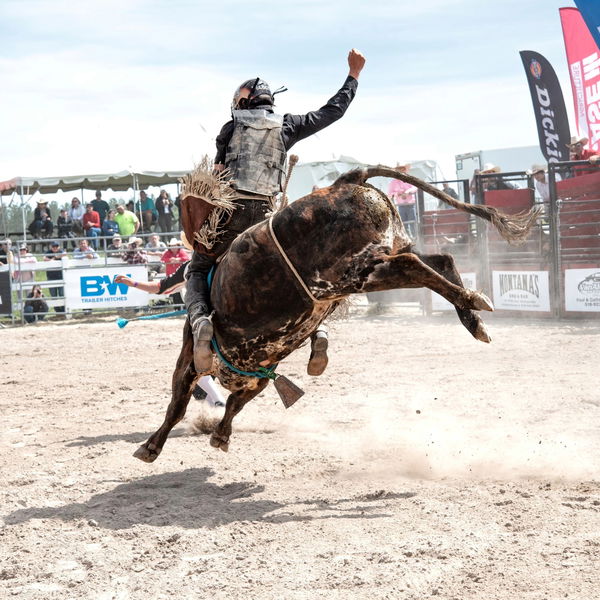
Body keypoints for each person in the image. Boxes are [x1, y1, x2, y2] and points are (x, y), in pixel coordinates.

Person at [185, 48, 365, 372]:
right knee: (309, 272)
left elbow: (218, 178)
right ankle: (318, 329)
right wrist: (353, 75)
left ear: (242, 103)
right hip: (269, 222)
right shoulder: (288, 126)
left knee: (197, 269)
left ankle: (200, 322)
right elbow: (332, 111)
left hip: (231, 217)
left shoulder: (229, 130)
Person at [115, 260, 226, 408]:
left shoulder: (191, 267)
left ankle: (219, 403)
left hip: (202, 321)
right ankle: (217, 408)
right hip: (226, 321)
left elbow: (160, 287)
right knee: (200, 379)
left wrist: (133, 283)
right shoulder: (227, 260)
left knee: (192, 367)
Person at [387, 163, 417, 232]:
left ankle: (415, 239)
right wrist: (398, 194)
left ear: (405, 170)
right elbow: (390, 194)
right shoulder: (393, 183)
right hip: (401, 206)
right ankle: (408, 239)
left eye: (403, 169)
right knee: (403, 225)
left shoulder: (410, 179)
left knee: (413, 224)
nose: (401, 171)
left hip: (410, 205)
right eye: (399, 169)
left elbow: (415, 188)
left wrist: (407, 192)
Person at [43, 241, 66, 312]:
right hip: (51, 277)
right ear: (51, 247)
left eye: (56, 246)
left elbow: (65, 255)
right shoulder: (48, 252)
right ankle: (57, 311)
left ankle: (63, 310)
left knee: (62, 294)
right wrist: (55, 258)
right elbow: (44, 259)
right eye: (53, 246)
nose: (55, 248)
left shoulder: (61, 251)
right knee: (53, 295)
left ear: (59, 247)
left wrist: (53, 258)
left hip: (61, 277)